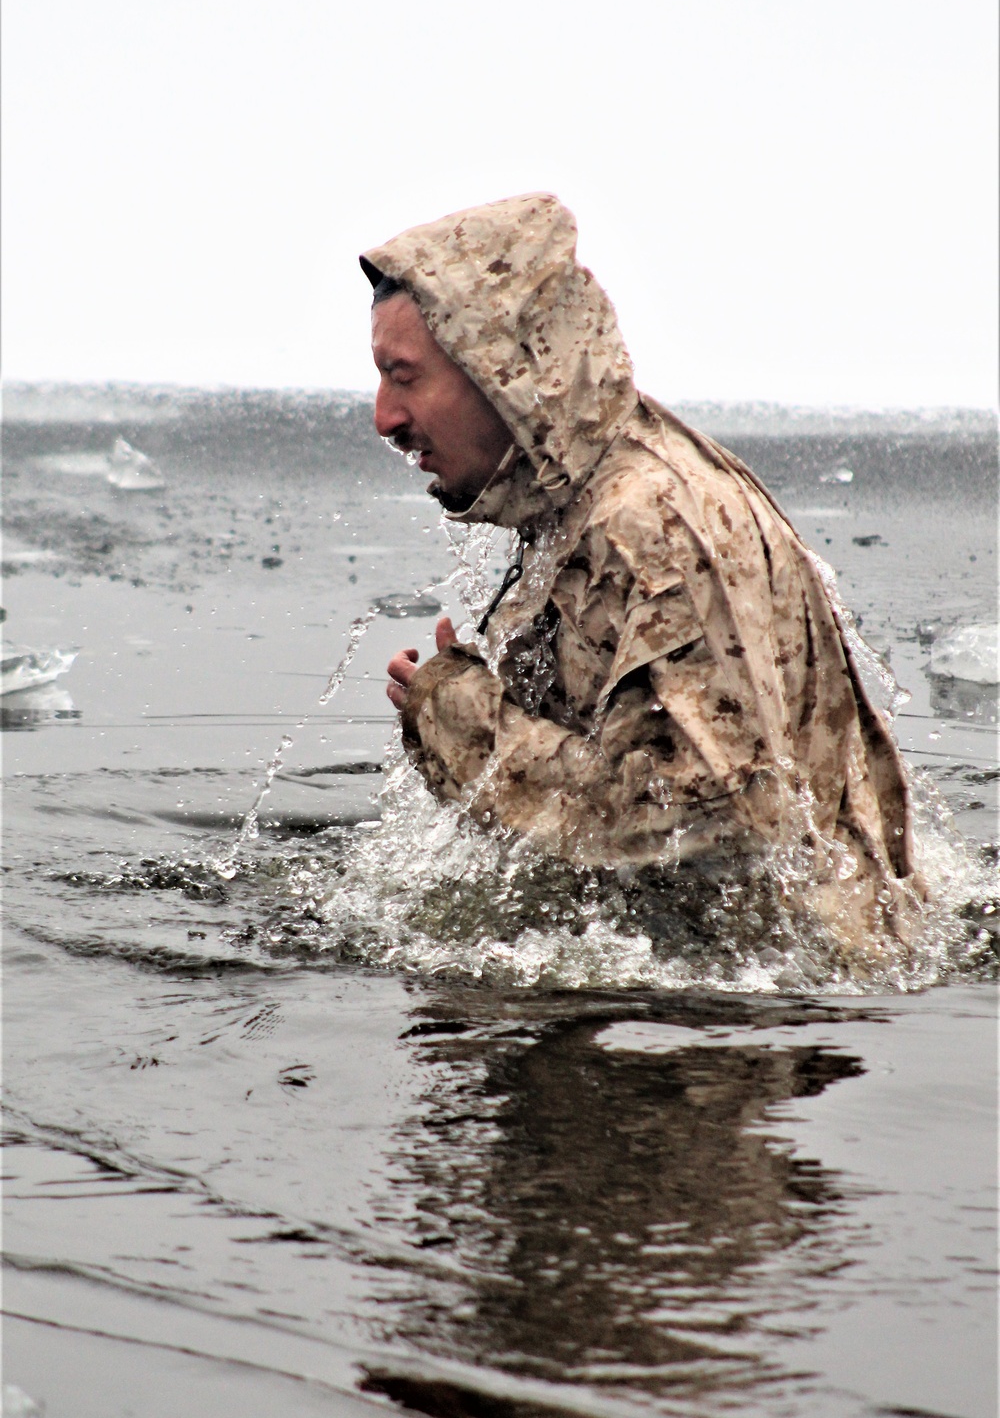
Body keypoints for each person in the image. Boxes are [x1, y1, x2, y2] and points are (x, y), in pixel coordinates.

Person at [363, 193, 923, 959]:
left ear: (498, 368)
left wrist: (466, 724)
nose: (383, 417)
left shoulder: (648, 523)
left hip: (746, 1019)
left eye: (405, 377)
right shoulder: (584, 495)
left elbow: (706, 812)